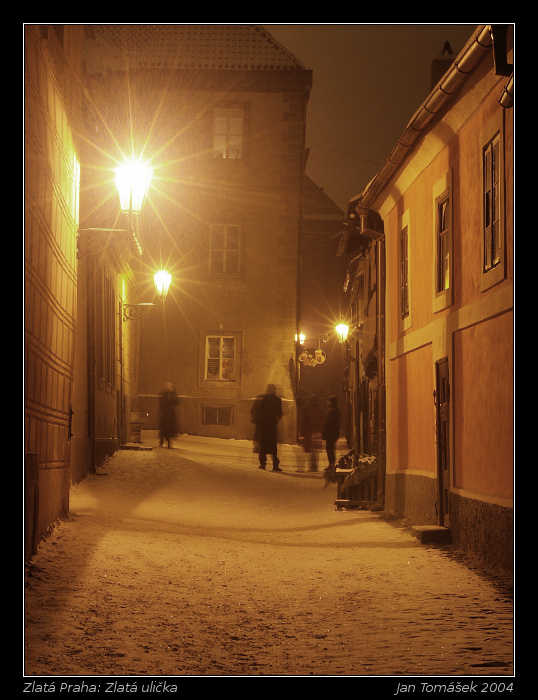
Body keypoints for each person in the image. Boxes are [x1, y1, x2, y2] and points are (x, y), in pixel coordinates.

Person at [256, 384, 283, 471]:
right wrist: (277, 421)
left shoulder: (264, 399)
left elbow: (260, 410)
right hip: (272, 424)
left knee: (263, 444)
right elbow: (279, 413)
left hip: (264, 424)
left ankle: (263, 464)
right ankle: (275, 465)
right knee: (272, 445)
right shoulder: (277, 400)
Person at [300, 398, 320, 472]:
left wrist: (302, 431)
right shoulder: (317, 409)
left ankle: (311, 466)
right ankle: (314, 466)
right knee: (314, 449)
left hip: (308, 431)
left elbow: (304, 420)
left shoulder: (306, 409)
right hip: (314, 430)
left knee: (310, 449)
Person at [321, 396, 341, 467]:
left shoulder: (330, 411)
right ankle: (332, 464)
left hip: (329, 434)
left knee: (329, 449)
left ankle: (331, 464)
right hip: (334, 433)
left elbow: (327, 423)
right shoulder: (336, 410)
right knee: (331, 449)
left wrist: (324, 432)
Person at [158, 382, 178, 448]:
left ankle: (169, 442)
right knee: (164, 428)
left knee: (170, 428)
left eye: (170, 386)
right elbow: (162, 403)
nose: (169, 387)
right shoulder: (164, 394)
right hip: (165, 413)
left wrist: (173, 396)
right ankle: (161, 441)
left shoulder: (173, 394)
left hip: (171, 413)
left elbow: (176, 403)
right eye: (168, 386)